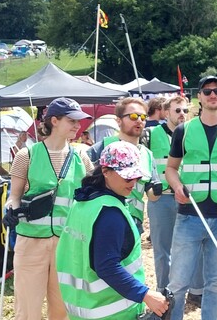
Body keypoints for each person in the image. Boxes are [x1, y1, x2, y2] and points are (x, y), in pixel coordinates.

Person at [164, 75, 217, 320]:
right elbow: (170, 169)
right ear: (199, 97)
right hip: (190, 216)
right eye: (207, 91)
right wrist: (177, 185)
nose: (213, 94)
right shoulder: (184, 130)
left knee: (215, 282)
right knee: (178, 282)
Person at [56, 141, 170, 319]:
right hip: (113, 312)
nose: (133, 182)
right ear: (105, 171)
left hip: (82, 309)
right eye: (127, 177)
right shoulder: (109, 213)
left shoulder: (83, 203)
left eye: (136, 176)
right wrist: (145, 294)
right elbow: (106, 266)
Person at [5, 97, 94, 320]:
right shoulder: (27, 155)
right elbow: (13, 196)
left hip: (68, 244)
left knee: (62, 309)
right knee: (27, 310)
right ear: (54, 121)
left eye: (79, 121)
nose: (77, 126)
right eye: (72, 120)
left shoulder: (82, 157)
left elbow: (91, 196)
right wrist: (11, 211)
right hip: (30, 243)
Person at [86, 97, 158, 231]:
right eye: (133, 116)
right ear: (118, 121)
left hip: (133, 223)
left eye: (143, 117)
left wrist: (167, 185)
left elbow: (152, 193)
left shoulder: (147, 154)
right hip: (102, 219)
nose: (139, 120)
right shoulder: (102, 148)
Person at [145, 95, 189, 294]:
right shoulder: (151, 134)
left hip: (187, 199)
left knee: (188, 246)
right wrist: (148, 189)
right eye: (177, 110)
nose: (182, 114)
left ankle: (189, 289)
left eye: (185, 110)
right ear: (166, 112)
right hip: (162, 198)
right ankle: (164, 290)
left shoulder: (192, 134)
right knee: (162, 250)